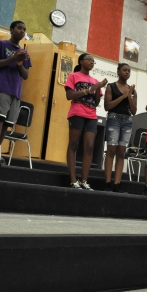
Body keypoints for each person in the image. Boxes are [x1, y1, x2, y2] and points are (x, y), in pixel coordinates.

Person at [0, 21, 31, 164]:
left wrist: (20, 63)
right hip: (1, 87)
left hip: (16, 91)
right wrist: (12, 58)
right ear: (11, 30)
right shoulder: (0, 44)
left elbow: (26, 75)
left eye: (24, 29)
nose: (22, 31)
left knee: (7, 123)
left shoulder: (24, 53)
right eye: (19, 28)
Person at [65, 53, 107, 190]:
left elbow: (95, 103)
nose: (92, 63)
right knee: (73, 145)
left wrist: (98, 89)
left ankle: (84, 181)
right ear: (81, 61)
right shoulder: (74, 76)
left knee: (89, 147)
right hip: (77, 113)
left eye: (93, 62)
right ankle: (73, 180)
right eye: (89, 60)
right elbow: (69, 95)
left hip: (91, 116)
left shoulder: (95, 80)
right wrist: (89, 90)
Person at [104, 63, 137, 193]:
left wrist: (129, 95)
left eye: (129, 71)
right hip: (114, 119)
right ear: (118, 72)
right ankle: (107, 182)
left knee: (122, 152)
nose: (127, 72)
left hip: (127, 120)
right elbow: (107, 106)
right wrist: (123, 96)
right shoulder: (111, 87)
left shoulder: (133, 90)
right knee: (111, 149)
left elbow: (134, 111)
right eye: (124, 70)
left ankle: (117, 183)